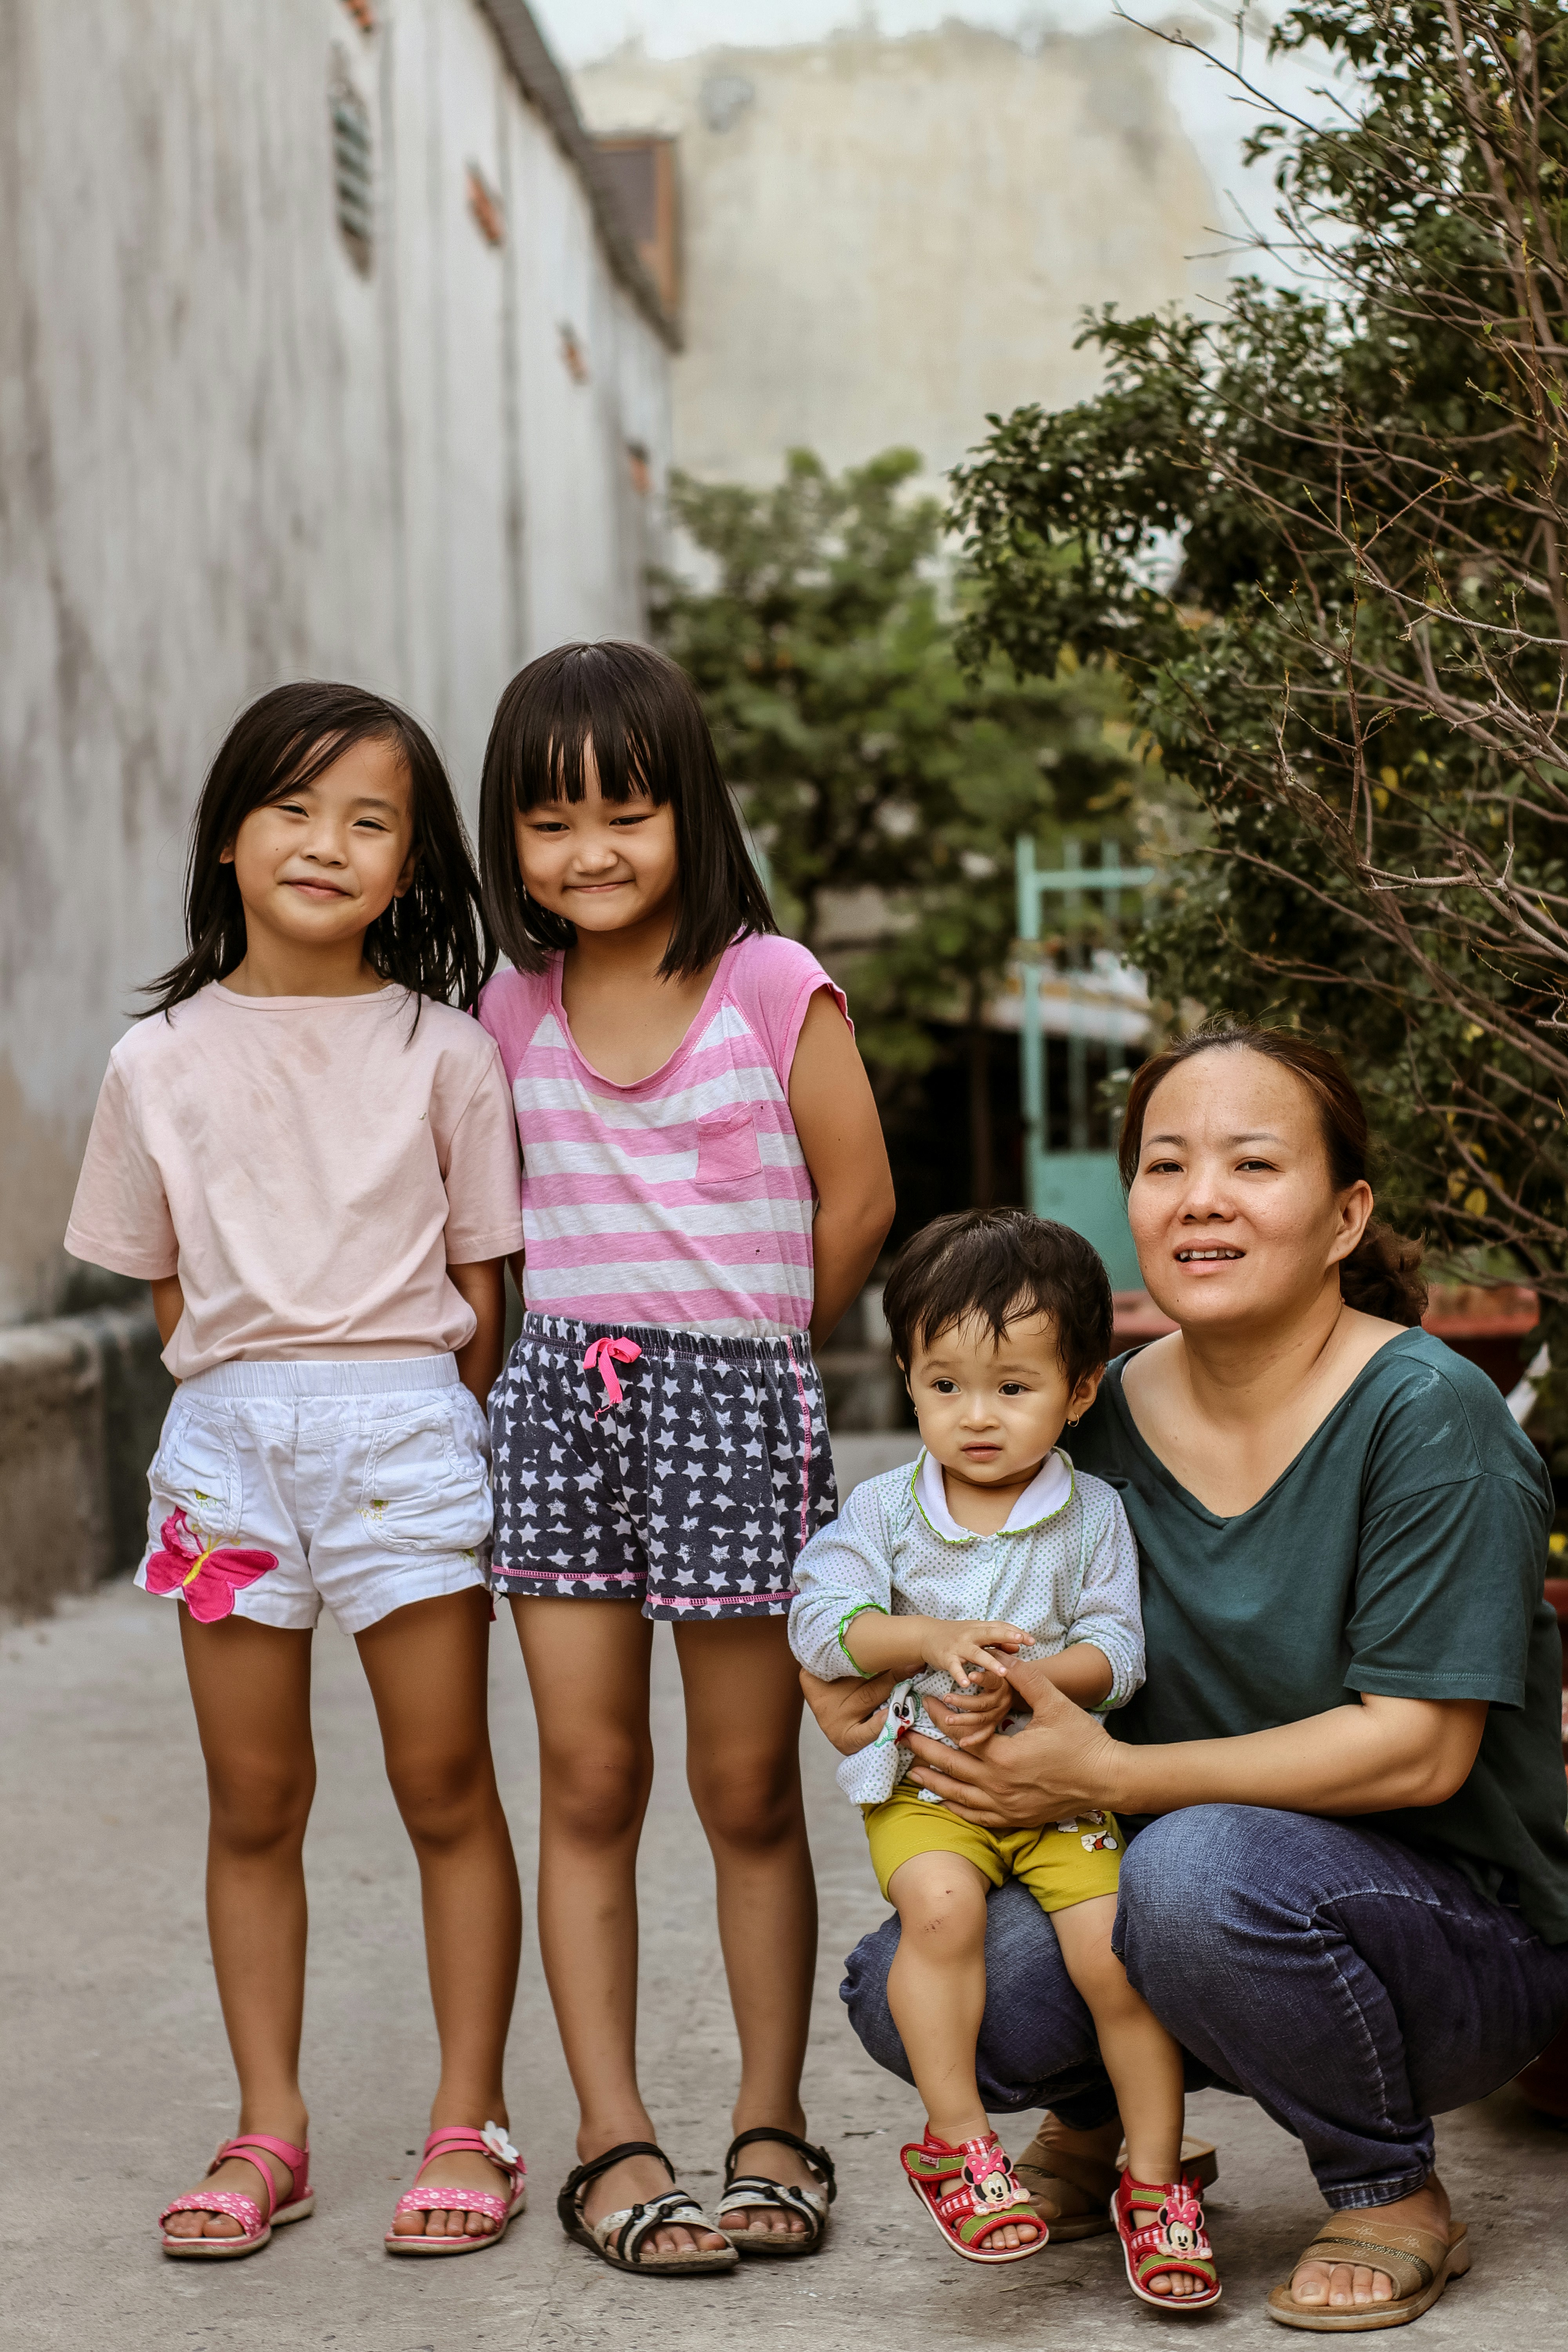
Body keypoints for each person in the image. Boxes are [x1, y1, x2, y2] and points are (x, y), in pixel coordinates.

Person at [804, 1025, 1568, 2332]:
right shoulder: (1079, 1419)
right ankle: (1106, 2132)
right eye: (1167, 1163)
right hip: (1177, 1908)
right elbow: (928, 1600)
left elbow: (1420, 1752)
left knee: (1193, 1869)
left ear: (1345, 1216)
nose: (1200, 1195)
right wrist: (879, 1693)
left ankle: (1388, 2189)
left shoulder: (1429, 1418)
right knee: (913, 1979)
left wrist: (1104, 1773)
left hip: (1452, 1932)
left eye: (1253, 1163)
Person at [65, 684, 529, 2261]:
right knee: (254, 1800)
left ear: (410, 867)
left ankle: (470, 2119)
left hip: (407, 1432)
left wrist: (397, 1411)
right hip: (229, 1454)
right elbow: (166, 1291)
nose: (326, 843)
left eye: (370, 819)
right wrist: (265, 1396)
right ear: (224, 835)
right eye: (293, 808)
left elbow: (487, 1297)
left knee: (443, 1786)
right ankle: (270, 2126)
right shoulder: (156, 1063)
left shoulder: (445, 1052)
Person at [474, 640, 895, 2274]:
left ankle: (771, 2122)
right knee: (588, 1778)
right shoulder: (506, 1008)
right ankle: (610, 2137)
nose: (590, 853)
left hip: (740, 1404)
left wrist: (761, 1351)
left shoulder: (773, 982)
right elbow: (484, 1227)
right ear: (510, 838)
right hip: (558, 1411)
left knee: (743, 1790)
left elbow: (851, 1198)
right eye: (549, 821)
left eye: (626, 814)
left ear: (686, 814)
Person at [789, 1210, 1220, 2303]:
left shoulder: (1092, 1518)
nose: (976, 1418)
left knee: (1115, 1959)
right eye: (946, 1387)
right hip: (930, 1783)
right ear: (908, 1376)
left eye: (1013, 1388)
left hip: (1062, 1784)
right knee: (939, 1915)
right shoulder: (886, 1510)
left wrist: (1034, 1680)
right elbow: (820, 1621)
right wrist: (926, 1642)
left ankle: (1157, 2182)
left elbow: (1119, 1653)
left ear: (1080, 1391)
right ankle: (959, 2144)